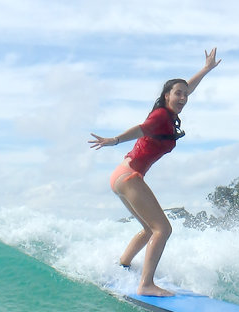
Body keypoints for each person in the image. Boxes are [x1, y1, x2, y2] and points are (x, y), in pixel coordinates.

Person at [88, 48, 221, 297]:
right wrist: (114, 140)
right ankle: (146, 284)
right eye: (177, 94)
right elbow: (141, 129)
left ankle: (123, 266)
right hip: (130, 177)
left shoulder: (168, 114)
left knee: (149, 229)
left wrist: (205, 69)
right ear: (166, 95)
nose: (183, 97)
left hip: (120, 176)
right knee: (163, 229)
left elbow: (187, 87)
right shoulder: (161, 116)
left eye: (185, 94)